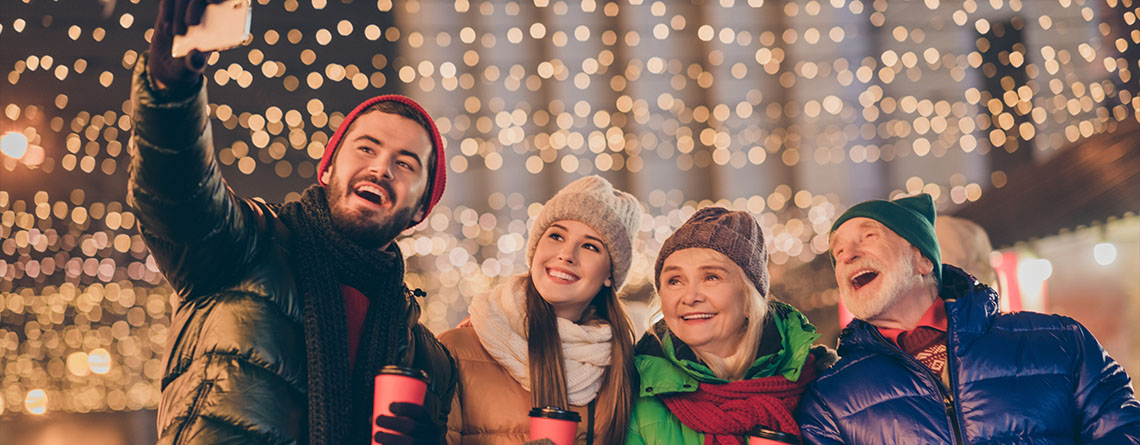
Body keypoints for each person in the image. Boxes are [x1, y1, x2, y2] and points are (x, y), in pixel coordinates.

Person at [129, 1, 456, 443]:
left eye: (406, 163)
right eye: (366, 148)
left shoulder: (426, 358)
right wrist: (170, 94)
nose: (381, 168)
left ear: (421, 210)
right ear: (327, 170)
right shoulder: (246, 246)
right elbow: (179, 197)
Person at [796, 194, 1140, 443]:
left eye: (868, 236)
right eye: (837, 253)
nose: (848, 255)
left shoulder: (1059, 341)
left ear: (923, 260)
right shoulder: (830, 399)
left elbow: (1123, 430)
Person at [438, 176, 642, 444]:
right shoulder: (457, 349)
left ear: (610, 274)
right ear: (535, 249)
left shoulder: (623, 370)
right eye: (556, 236)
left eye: (590, 246)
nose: (567, 254)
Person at [628, 207, 827, 444]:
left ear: (749, 296)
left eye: (711, 277)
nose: (690, 297)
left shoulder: (821, 385)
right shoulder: (633, 390)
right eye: (675, 280)